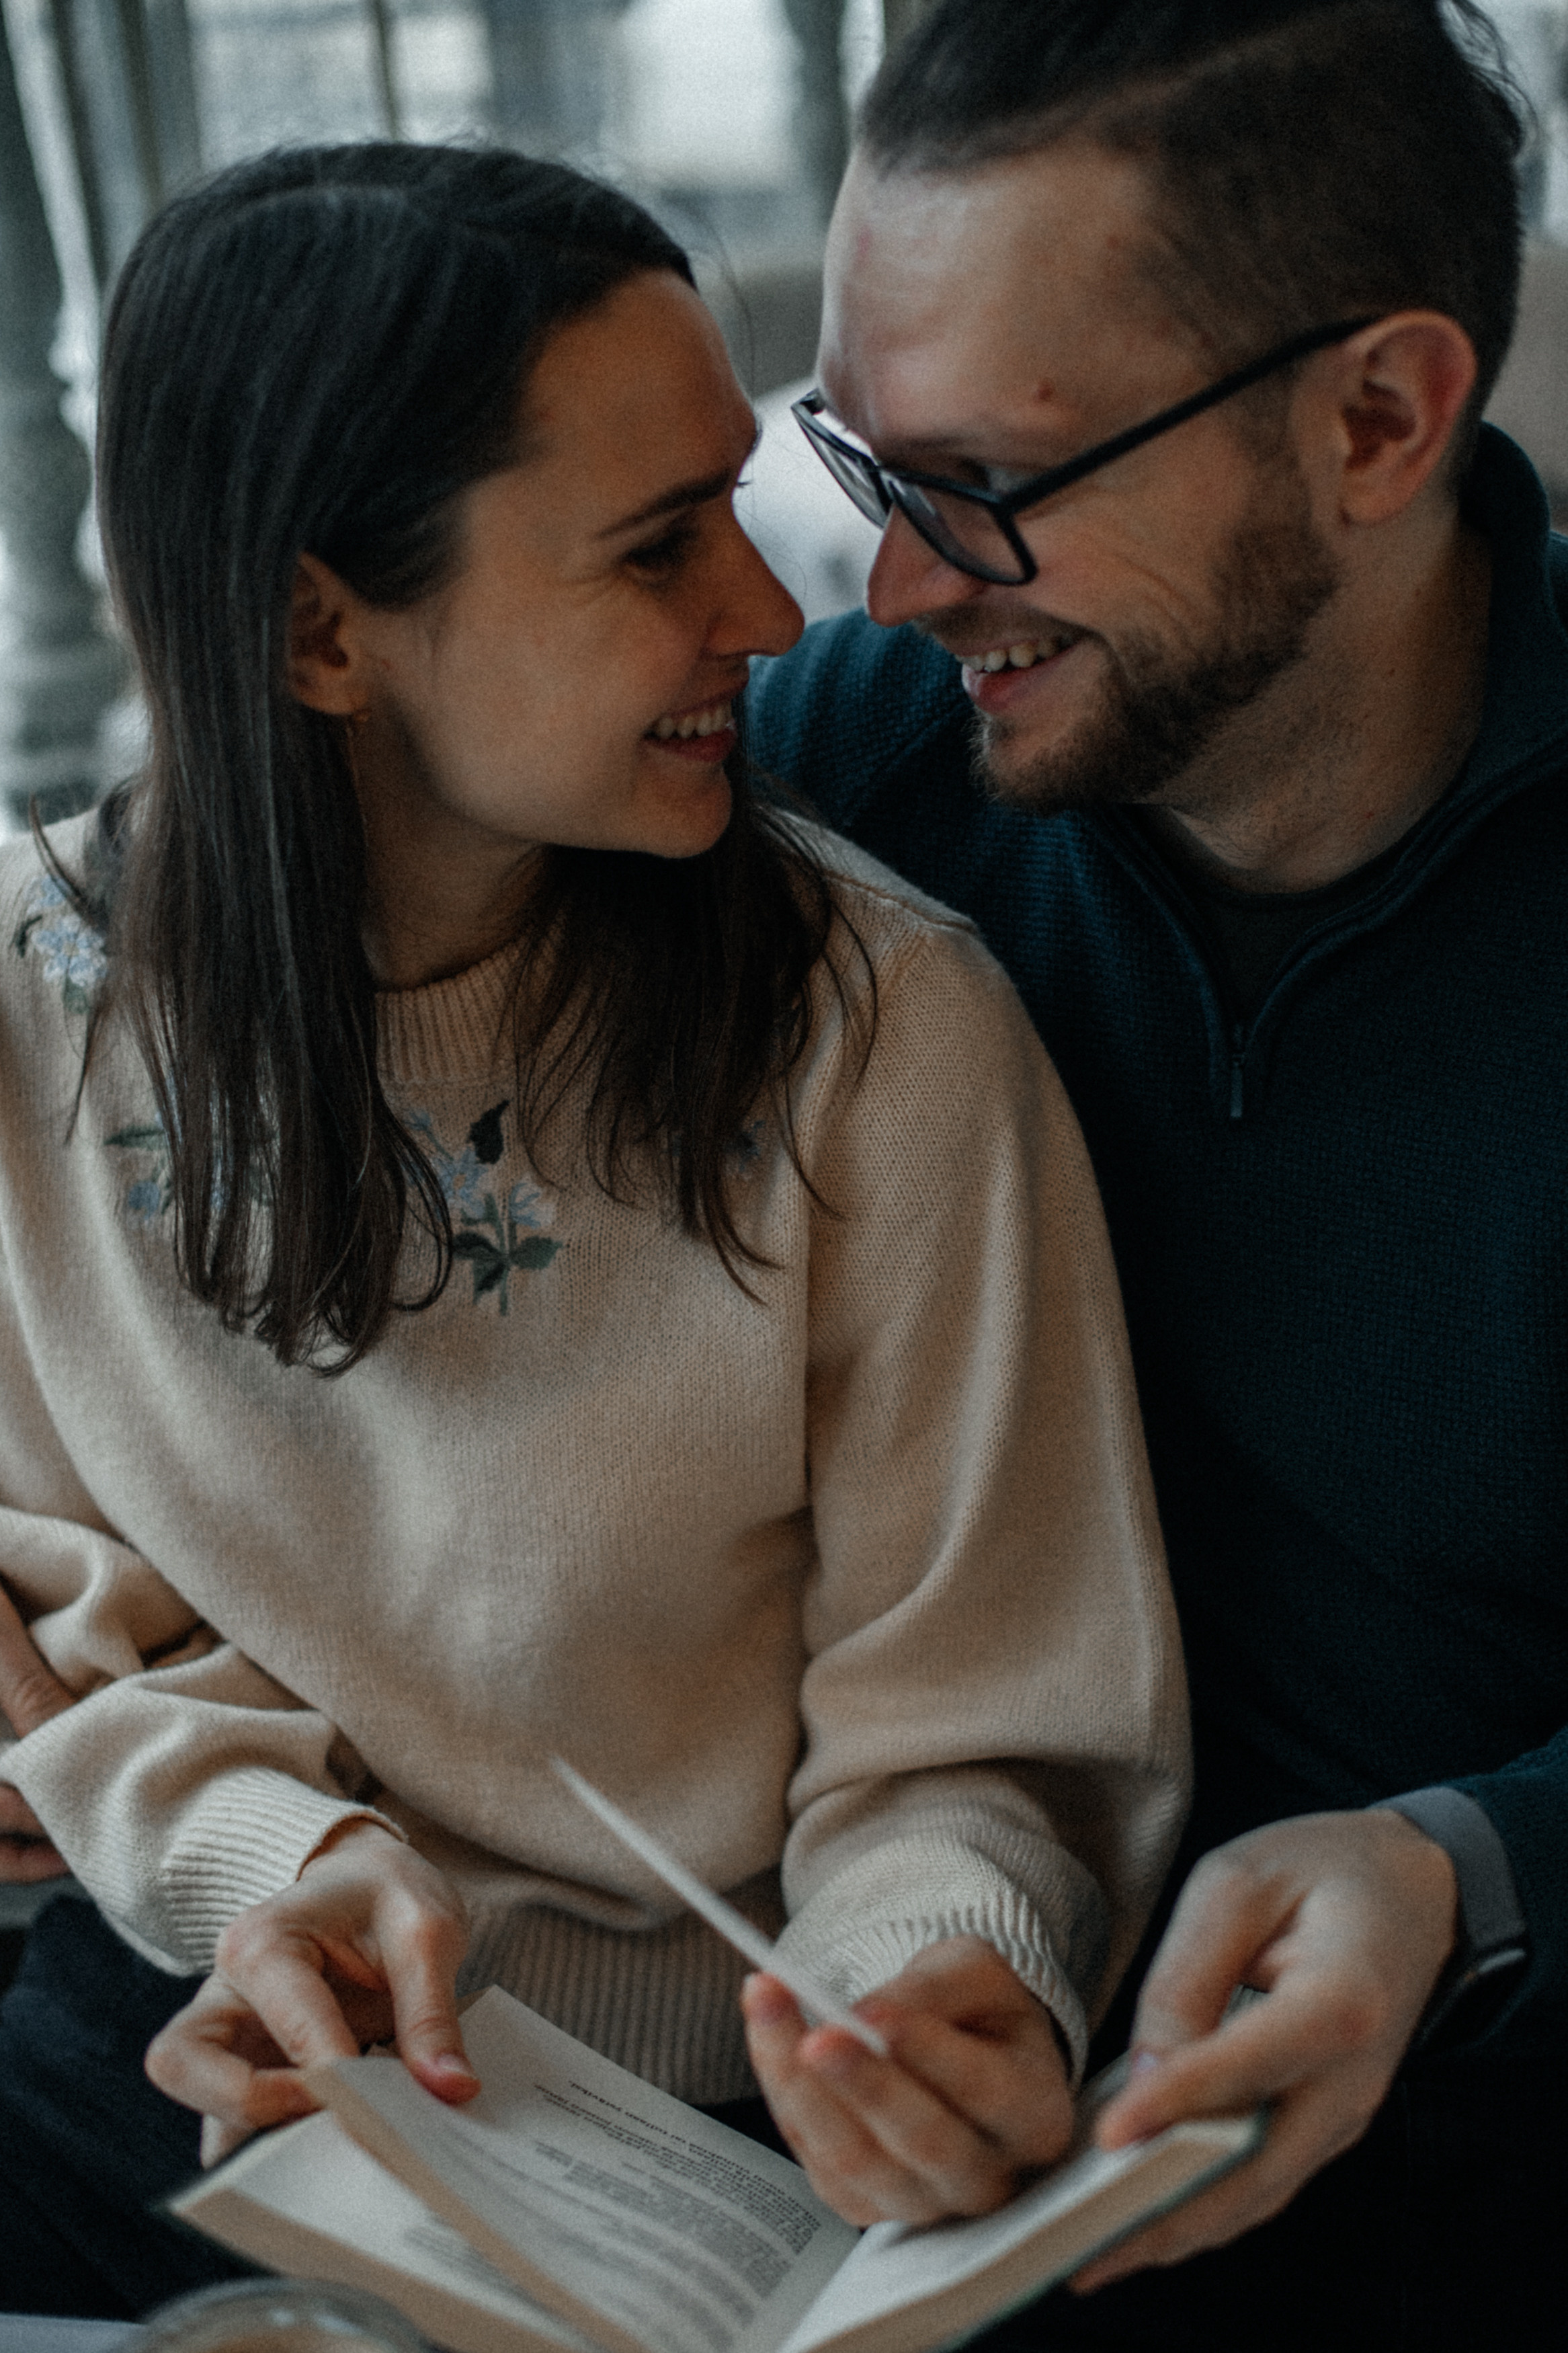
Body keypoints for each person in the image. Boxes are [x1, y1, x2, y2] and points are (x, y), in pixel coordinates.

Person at [0, 143, 1188, 2317]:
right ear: (319, 631)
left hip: (736, 2120)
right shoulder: (20, 1006)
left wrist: (937, 1977)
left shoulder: (882, 1038)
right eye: (659, 544)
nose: (773, 614)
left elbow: (984, 1717)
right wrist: (278, 1864)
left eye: (735, 501)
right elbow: (57, 1601)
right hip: (183, 2038)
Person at [739, 1, 1567, 2346]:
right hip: (895, 2171)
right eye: (861, 464)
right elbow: (204, 964)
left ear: (1379, 419)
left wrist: (1469, 1866)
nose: (894, 589)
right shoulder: (857, 763)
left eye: (988, 481)